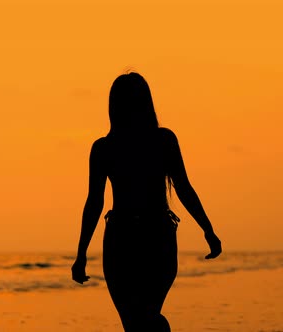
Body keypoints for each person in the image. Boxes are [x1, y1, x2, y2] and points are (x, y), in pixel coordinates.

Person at [72, 72, 222, 332]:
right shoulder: (159, 141)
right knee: (144, 319)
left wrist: (82, 253)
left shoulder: (109, 147)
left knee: (140, 321)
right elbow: (184, 188)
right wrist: (208, 230)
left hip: (129, 240)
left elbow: (95, 203)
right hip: (151, 237)